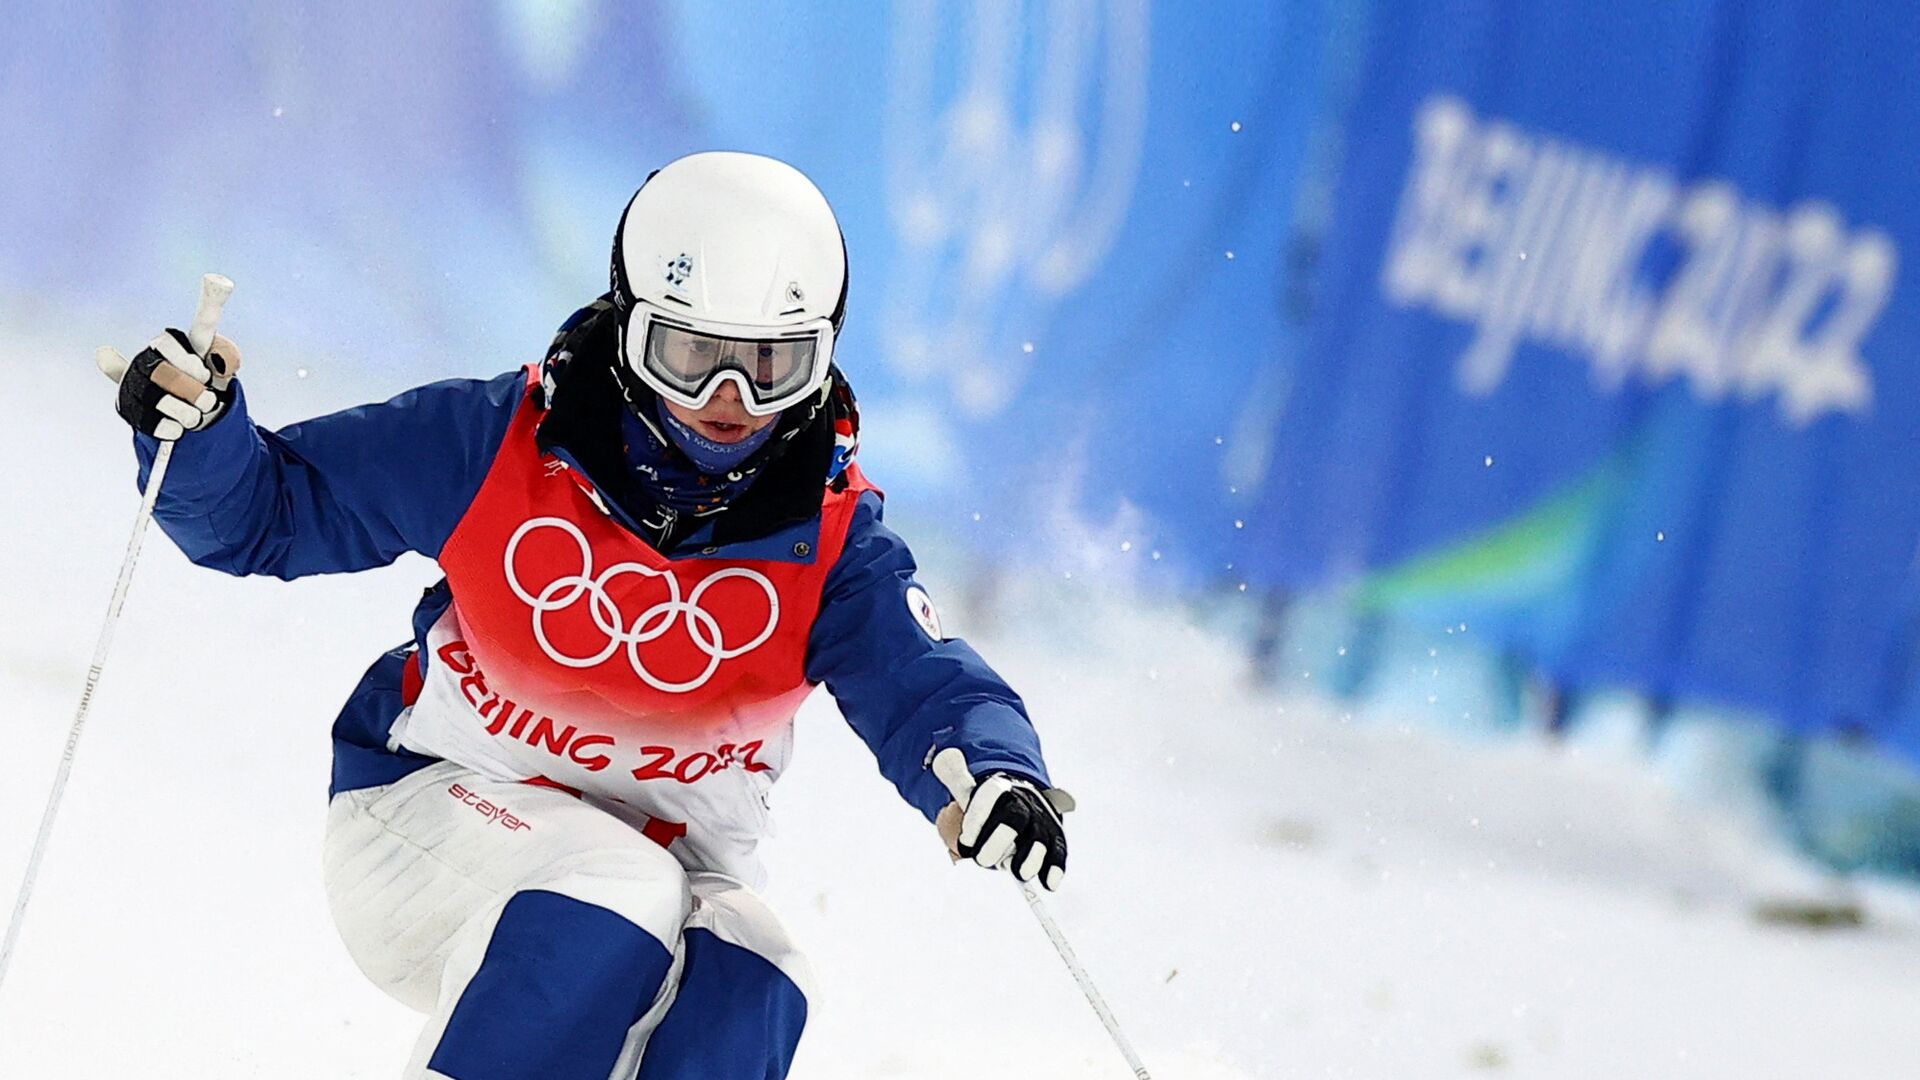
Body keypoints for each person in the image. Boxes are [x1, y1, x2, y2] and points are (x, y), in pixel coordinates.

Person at [99, 151, 1069, 1080]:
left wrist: (992, 774)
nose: (726, 401)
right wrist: (200, 434)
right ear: (628, 325)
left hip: (668, 869)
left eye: (772, 365)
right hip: (427, 815)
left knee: (756, 965)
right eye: (690, 354)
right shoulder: (497, 442)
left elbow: (925, 683)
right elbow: (267, 515)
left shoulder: (831, 543)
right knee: (615, 890)